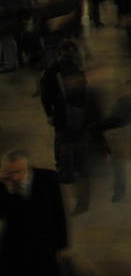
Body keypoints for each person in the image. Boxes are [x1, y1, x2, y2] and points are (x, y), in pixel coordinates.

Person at [39, 39, 94, 216]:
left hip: (62, 117)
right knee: (77, 149)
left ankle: (66, 172)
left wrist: (49, 113)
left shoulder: (51, 71)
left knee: (64, 146)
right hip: (79, 118)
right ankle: (78, 177)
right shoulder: (79, 69)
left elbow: (45, 95)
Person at [0, 150, 69, 275]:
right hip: (16, 243)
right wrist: (9, 189)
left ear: (28, 167)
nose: (15, 177)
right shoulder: (3, 184)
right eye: (10, 173)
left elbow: (58, 211)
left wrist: (62, 244)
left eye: (19, 171)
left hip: (44, 240)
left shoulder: (48, 178)